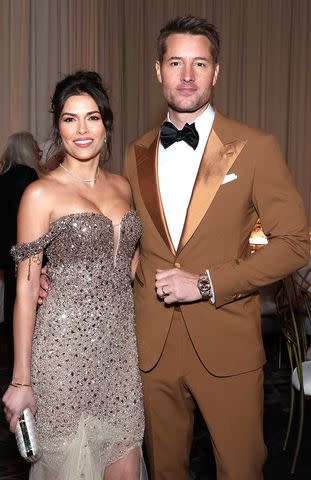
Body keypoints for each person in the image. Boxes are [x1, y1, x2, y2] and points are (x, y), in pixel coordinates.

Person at [123, 15, 310, 480]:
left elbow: (296, 243)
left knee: (241, 469)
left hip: (227, 345)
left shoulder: (255, 147)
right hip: (152, 347)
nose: (187, 76)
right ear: (158, 70)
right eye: (176, 63)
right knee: (166, 471)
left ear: (216, 72)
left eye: (199, 64)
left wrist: (208, 283)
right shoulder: (135, 152)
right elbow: (128, 242)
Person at [2, 71, 145, 480]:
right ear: (58, 127)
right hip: (62, 355)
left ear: (107, 125)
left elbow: (129, 265)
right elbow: (26, 290)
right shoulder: (40, 194)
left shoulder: (122, 187)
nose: (81, 129)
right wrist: (21, 379)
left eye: (92, 117)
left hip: (120, 355)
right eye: (69, 118)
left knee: (126, 463)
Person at [0, 132, 39, 374]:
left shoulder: (2, 178)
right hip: (25, 251)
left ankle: (16, 362)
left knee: (11, 303)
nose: (39, 151)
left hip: (5, 252)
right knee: (28, 304)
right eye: (35, 147)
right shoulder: (28, 176)